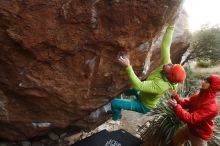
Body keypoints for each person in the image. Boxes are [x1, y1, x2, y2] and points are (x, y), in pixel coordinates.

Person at [110, 24, 186, 124]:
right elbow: (165, 47)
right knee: (126, 90)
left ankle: (116, 118)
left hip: (143, 105)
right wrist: (171, 27)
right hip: (142, 94)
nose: (170, 63)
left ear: (170, 76)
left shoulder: (161, 86)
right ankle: (121, 104)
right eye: (173, 64)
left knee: (115, 103)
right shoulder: (167, 66)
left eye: (171, 66)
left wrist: (128, 67)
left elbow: (138, 85)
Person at [168, 75, 220, 146]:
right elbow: (185, 103)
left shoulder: (212, 106)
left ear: (213, 87)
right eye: (205, 80)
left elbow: (191, 118)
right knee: (176, 140)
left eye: (207, 82)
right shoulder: (199, 96)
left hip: (200, 135)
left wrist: (176, 106)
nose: (203, 82)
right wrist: (176, 97)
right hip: (190, 128)